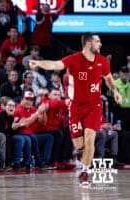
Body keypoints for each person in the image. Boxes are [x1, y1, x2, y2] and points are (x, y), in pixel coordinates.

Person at [29, 32, 122, 185]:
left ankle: (84, 172)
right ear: (87, 44)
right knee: (79, 144)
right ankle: (83, 152)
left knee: (90, 138)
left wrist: (115, 91)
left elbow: (109, 79)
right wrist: (38, 63)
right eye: (97, 42)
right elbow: (55, 64)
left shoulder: (103, 61)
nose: (100, 44)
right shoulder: (74, 59)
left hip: (94, 105)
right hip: (76, 107)